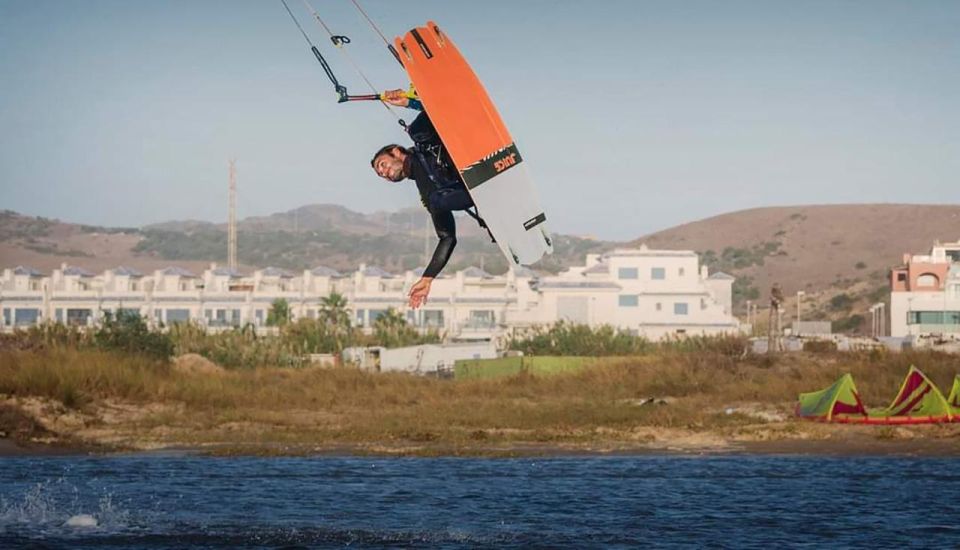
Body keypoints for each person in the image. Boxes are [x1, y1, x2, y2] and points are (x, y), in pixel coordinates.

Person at [371, 89, 478, 309]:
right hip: (473, 189)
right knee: (435, 203)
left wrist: (411, 102)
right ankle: (482, 195)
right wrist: (428, 277)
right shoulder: (428, 195)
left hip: (470, 149)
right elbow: (447, 238)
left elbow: (440, 108)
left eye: (383, 165)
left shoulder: (422, 141)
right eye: (380, 175)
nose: (384, 173)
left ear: (396, 152)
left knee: (417, 131)